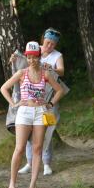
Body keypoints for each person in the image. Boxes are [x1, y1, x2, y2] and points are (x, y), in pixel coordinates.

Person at [0, 41, 64, 188]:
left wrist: (50, 104)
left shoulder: (45, 74)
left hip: (41, 112)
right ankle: (12, 184)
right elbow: (4, 88)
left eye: (34, 57)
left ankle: (32, 185)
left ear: (39, 57)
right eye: (29, 57)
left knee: (37, 148)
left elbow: (59, 90)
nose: (31, 60)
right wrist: (14, 103)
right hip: (24, 112)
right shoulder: (21, 73)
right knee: (20, 148)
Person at [18, 28, 65, 176]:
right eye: (47, 42)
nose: (49, 46)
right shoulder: (34, 49)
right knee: (28, 133)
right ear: (42, 39)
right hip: (30, 101)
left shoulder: (57, 55)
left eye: (53, 44)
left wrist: (52, 69)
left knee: (47, 131)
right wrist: (15, 59)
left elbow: (62, 71)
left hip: (49, 98)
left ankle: (46, 163)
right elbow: (22, 62)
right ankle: (29, 163)